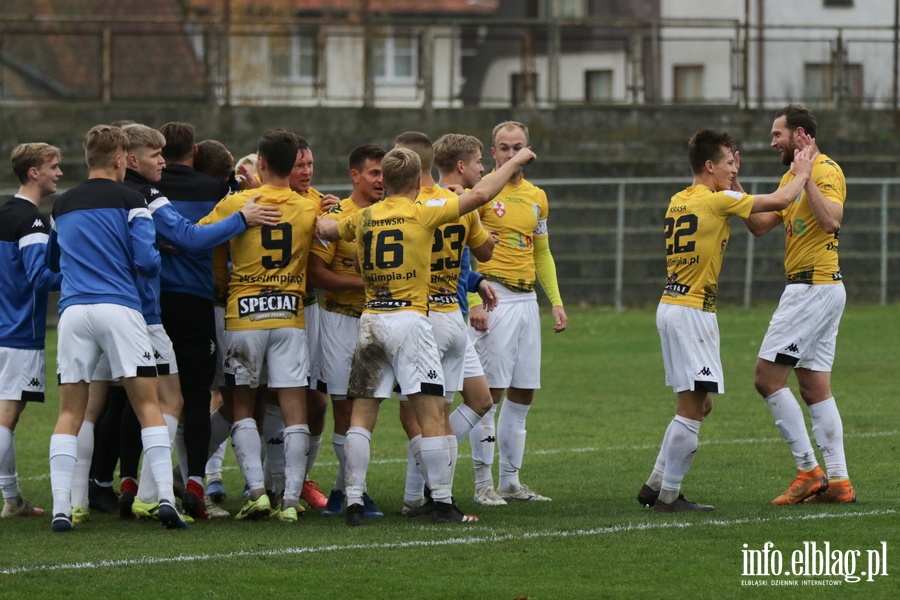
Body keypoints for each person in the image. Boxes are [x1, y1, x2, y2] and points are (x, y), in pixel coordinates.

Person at [317, 143, 536, 526]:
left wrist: (319, 211)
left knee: (361, 415)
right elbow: (482, 194)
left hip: (370, 321)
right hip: (410, 322)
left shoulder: (364, 216)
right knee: (433, 412)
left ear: (383, 179)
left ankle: (353, 501)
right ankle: (442, 502)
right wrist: (516, 160)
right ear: (418, 181)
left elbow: (327, 229)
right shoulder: (423, 212)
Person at [638, 128, 816, 512]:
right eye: (727, 163)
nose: (732, 169)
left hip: (671, 306)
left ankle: (654, 484)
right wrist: (802, 171)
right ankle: (669, 496)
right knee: (692, 410)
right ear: (708, 165)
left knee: (700, 405)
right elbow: (782, 199)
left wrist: (733, 178)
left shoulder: (679, 199)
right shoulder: (718, 201)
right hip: (693, 312)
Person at [46, 124, 186, 531]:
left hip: (72, 313)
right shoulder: (133, 199)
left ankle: (62, 507)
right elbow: (147, 261)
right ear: (118, 159)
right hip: (120, 308)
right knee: (147, 404)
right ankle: (164, 499)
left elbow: (54, 264)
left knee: (71, 411)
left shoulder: (62, 205)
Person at [200, 129, 317, 523]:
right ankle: (289, 499)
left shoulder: (237, 202)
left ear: (261, 163)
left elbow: (201, 237)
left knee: (241, 405)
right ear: (293, 162)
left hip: (243, 315)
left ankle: (255, 493)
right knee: (293, 406)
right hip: (290, 316)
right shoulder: (307, 207)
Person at [743, 105, 855, 505]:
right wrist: (733, 188)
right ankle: (839, 482)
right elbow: (759, 226)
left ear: (801, 135)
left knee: (766, 378)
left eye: (778, 135)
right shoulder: (794, 175)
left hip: (813, 288)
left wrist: (806, 178)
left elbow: (831, 221)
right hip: (817, 290)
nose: (773, 142)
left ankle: (808, 470)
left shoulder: (825, 171)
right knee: (813, 386)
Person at [392, 131, 497, 517]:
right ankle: (421, 497)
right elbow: (487, 250)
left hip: (430, 313)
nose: (483, 167)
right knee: (430, 413)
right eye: (479, 160)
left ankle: (423, 495)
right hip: (435, 315)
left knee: (446, 409)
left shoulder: (407, 207)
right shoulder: (454, 203)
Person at [467, 121, 567, 502]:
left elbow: (541, 251)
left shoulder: (537, 196)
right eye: (504, 148)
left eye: (518, 146)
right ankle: (482, 485)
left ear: (529, 149)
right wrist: (475, 302)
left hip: (527, 302)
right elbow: (465, 249)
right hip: (495, 297)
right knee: (488, 395)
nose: (511, 154)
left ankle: (510, 481)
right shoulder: (482, 192)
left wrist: (555, 301)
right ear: (493, 153)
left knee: (523, 392)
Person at [155, 122, 232, 516]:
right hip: (197, 301)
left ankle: (136, 488)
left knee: (146, 399)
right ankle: (195, 485)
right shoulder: (215, 191)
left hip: (150, 304)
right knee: (199, 396)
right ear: (196, 151)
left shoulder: (145, 191)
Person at [306, 143, 386, 517]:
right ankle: (356, 493)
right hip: (339, 319)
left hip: (378, 320)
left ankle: (343, 492)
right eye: (374, 173)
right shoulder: (336, 217)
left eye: (384, 172)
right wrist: (360, 284)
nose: (381, 180)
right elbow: (316, 274)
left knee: (366, 409)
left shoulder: (391, 214)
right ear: (355, 176)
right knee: (344, 408)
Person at [0, 143, 64, 518]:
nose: (58, 173)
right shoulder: (32, 221)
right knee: (7, 415)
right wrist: (81, 275)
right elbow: (40, 278)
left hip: (5, 328)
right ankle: (11, 500)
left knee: (10, 412)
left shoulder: (5, 213)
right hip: (18, 333)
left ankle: (13, 500)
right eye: (52, 167)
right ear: (33, 173)